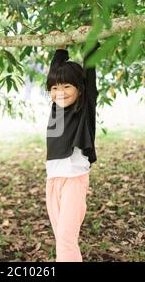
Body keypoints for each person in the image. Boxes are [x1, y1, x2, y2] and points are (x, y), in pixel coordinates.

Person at [45, 33, 100, 262]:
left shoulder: (83, 108)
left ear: (79, 89)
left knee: (66, 239)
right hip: (52, 181)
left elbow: (89, 76)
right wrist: (60, 48)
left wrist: (91, 43)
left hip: (74, 180)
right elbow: (54, 75)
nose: (60, 92)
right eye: (55, 88)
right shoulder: (56, 110)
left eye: (67, 86)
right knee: (62, 240)